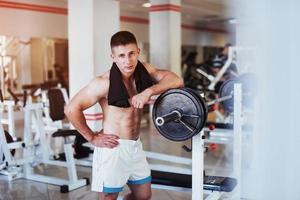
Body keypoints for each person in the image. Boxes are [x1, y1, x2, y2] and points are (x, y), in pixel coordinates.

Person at [64, 31, 183, 200]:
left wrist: (148, 91)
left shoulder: (145, 70)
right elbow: (71, 109)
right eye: (121, 56)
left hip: (135, 146)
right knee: (108, 197)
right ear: (113, 57)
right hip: (113, 148)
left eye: (131, 54)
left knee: (143, 196)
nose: (127, 61)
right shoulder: (103, 83)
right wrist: (91, 138)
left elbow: (176, 80)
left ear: (138, 52)